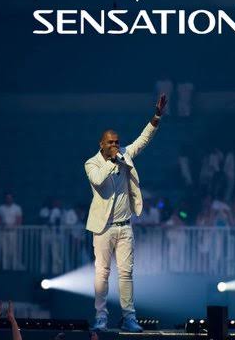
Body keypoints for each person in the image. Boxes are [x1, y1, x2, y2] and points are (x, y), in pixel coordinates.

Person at [84, 94, 167, 332]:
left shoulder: (124, 155)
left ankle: (129, 317)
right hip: (103, 228)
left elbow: (143, 139)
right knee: (102, 273)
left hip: (124, 226)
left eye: (117, 142)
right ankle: (101, 317)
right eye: (110, 142)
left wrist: (157, 116)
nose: (115, 145)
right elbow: (98, 181)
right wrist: (113, 161)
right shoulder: (92, 163)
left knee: (126, 273)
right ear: (101, 144)